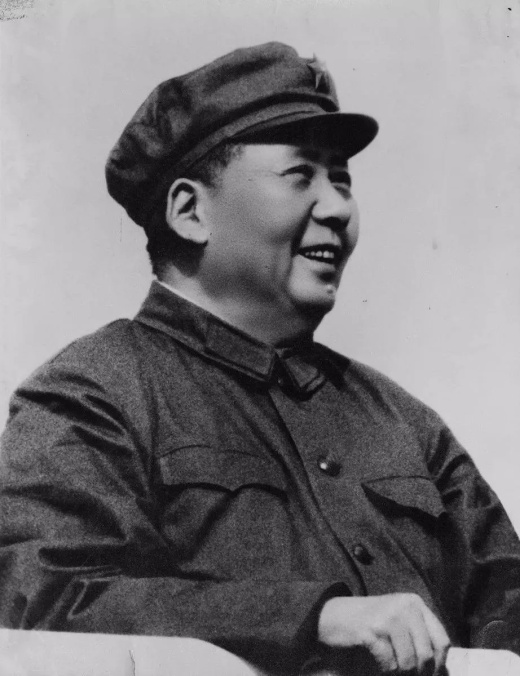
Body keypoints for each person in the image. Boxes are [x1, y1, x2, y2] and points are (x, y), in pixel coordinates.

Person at [0, 42, 519, 676]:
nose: (338, 207)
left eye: (342, 179)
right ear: (190, 212)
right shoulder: (91, 395)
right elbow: (44, 604)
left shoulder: (404, 421)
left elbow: (508, 602)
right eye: (301, 175)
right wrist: (314, 619)